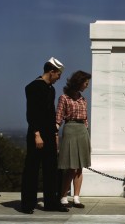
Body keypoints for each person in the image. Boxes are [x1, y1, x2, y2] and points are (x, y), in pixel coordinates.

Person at [21, 57, 69, 214]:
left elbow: (50, 114)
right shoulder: (34, 87)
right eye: (58, 75)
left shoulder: (51, 89)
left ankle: (51, 202)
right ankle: (27, 204)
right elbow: (32, 113)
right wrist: (37, 134)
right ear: (51, 71)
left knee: (51, 170)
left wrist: (55, 134)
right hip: (37, 134)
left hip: (49, 134)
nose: (59, 78)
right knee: (32, 169)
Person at [56, 70, 92, 208]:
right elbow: (58, 117)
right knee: (70, 167)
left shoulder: (83, 100)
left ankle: (76, 197)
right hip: (70, 129)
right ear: (79, 82)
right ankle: (64, 196)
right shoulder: (64, 98)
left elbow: (86, 119)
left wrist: (86, 132)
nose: (87, 86)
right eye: (86, 83)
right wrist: (55, 134)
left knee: (79, 167)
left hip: (82, 130)